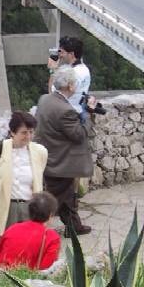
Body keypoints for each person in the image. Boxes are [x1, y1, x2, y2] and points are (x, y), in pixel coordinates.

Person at [35, 67, 95, 237]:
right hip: (61, 162)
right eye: (74, 83)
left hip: (48, 157)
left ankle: (74, 226)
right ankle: (34, 229)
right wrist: (88, 113)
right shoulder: (65, 110)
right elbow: (79, 135)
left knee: (67, 196)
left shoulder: (45, 99)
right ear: (70, 86)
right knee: (52, 200)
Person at [0, 111, 48, 250]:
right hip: (5, 207)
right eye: (24, 132)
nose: (28, 136)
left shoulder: (40, 152)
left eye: (31, 132)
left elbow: (38, 177)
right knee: (2, 249)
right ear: (12, 132)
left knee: (28, 249)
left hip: (30, 207)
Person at [0, 192, 61, 270]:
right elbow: (46, 268)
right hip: (25, 279)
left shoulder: (13, 228)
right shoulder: (52, 237)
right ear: (50, 215)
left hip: (1, 274)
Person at [47, 36, 90, 113]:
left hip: (68, 114)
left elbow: (52, 94)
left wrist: (52, 70)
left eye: (62, 52)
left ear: (71, 54)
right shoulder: (84, 70)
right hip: (78, 111)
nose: (60, 55)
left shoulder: (73, 74)